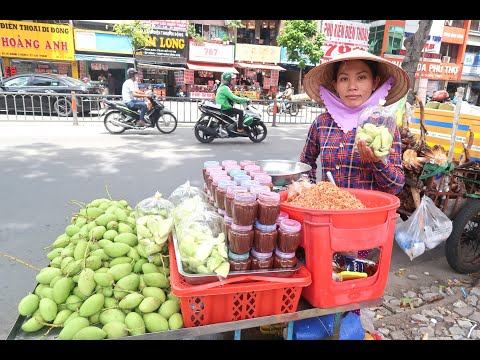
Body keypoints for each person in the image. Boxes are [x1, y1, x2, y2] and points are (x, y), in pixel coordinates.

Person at [300, 48, 408, 196]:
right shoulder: (321, 123)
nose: (352, 86)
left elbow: (396, 187)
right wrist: (309, 192)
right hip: (329, 213)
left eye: (361, 77)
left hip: (367, 214)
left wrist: (378, 161)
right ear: (335, 85)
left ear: (375, 82)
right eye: (344, 79)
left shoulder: (384, 125)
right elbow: (305, 164)